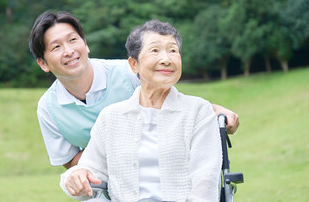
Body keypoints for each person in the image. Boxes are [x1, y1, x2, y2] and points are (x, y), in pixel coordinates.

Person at [28, 11, 239, 169]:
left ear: (86, 44)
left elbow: (174, 103)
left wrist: (214, 110)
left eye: (73, 40)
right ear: (43, 63)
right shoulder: (48, 109)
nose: (69, 51)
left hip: (158, 174)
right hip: (104, 187)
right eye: (56, 47)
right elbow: (71, 162)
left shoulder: (129, 72)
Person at [60, 19, 222, 201]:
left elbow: (205, 181)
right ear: (133, 64)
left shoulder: (198, 111)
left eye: (173, 51)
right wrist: (74, 177)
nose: (166, 59)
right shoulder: (111, 117)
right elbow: (90, 169)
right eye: (155, 50)